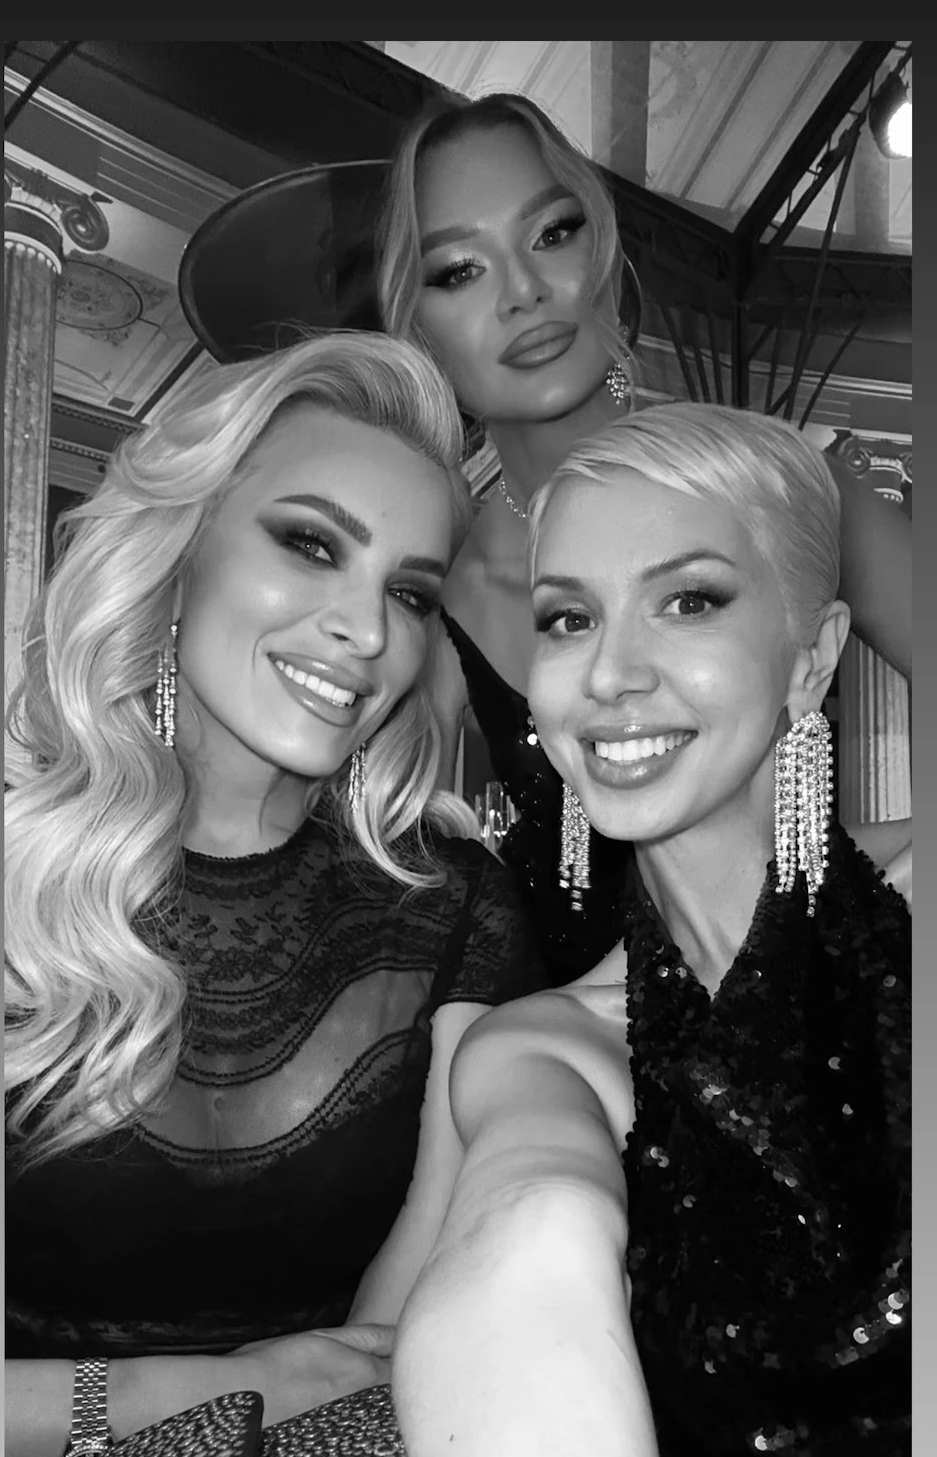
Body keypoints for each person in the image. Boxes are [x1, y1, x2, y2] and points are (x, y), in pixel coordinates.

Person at [388, 403, 909, 1457]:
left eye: (687, 601)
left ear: (811, 658)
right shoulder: (542, 1049)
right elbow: (525, 1248)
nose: (609, 673)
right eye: (568, 618)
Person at [4, 332, 542, 1457]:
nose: (367, 630)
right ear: (182, 547)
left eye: (408, 592)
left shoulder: (454, 908)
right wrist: (205, 1393)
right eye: (310, 543)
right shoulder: (3, 881)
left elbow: (394, 1354)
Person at [375, 90, 912, 987]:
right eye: (459, 270)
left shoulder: (791, 484)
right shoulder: (440, 583)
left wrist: (861, 878)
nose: (523, 291)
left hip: (820, 1004)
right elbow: (380, 860)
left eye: (552, 233)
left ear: (604, 250)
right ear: (417, 323)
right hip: (571, 1041)